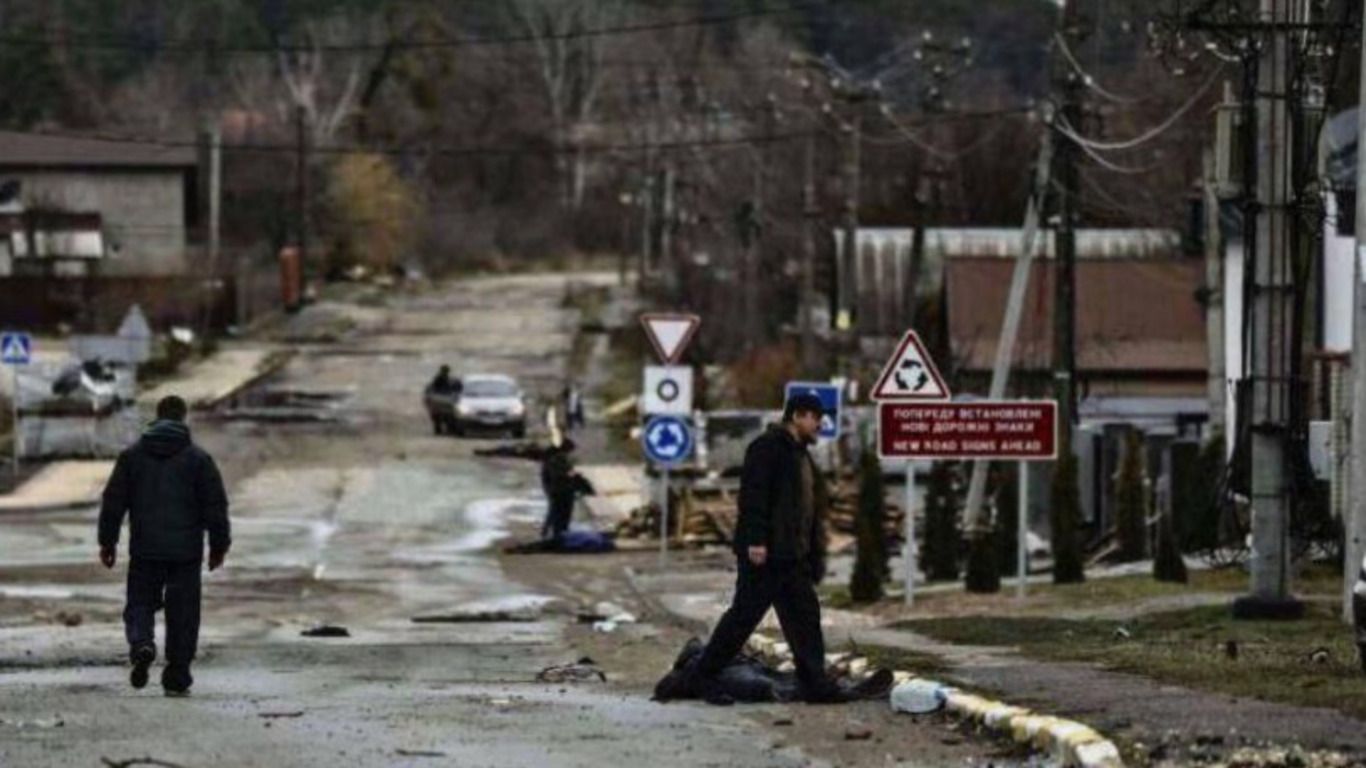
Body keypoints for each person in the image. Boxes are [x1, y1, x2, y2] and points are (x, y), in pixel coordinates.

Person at [685, 393, 843, 702]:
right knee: (743, 617)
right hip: (767, 554)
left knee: (805, 616)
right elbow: (754, 497)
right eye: (815, 418)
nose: (819, 425)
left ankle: (814, 683)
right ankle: (701, 676)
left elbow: (804, 508)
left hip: (791, 555)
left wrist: (811, 551)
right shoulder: (767, 448)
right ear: (797, 416)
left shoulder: (799, 454)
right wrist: (756, 541)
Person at [98, 395, 231, 697]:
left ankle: (142, 643)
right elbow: (215, 506)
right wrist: (219, 545)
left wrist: (108, 541)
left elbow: (113, 502)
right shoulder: (198, 460)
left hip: (145, 550)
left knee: (140, 603)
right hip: (186, 553)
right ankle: (177, 674)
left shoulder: (131, 457)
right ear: (183, 419)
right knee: (184, 613)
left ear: (156, 418)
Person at [539, 439, 585, 541]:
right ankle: (555, 532)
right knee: (558, 512)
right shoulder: (556, 460)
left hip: (559, 490)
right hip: (559, 491)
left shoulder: (557, 459)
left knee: (555, 511)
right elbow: (559, 475)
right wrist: (571, 476)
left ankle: (552, 531)